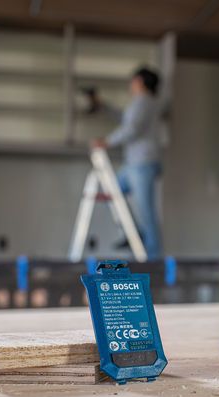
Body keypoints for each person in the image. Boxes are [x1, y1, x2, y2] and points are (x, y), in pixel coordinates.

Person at [90, 67, 163, 260]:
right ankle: (134, 233)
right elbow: (125, 119)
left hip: (142, 164)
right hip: (135, 165)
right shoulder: (140, 104)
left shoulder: (145, 101)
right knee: (111, 193)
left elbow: (131, 128)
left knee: (146, 212)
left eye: (134, 80)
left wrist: (107, 141)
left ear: (141, 82)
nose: (131, 84)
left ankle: (154, 261)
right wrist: (103, 106)